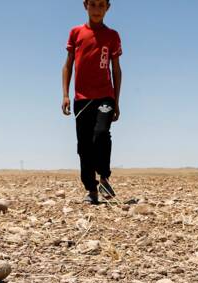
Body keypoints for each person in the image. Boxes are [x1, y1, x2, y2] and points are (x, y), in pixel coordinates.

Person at [62, 0, 122, 205]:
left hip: (105, 96)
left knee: (101, 133)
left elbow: (116, 69)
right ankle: (91, 190)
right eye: (93, 4)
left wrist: (117, 100)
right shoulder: (76, 32)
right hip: (82, 99)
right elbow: (68, 65)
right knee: (84, 146)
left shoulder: (112, 36)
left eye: (101, 5)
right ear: (85, 5)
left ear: (107, 8)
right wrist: (65, 95)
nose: (97, 9)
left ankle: (104, 177)